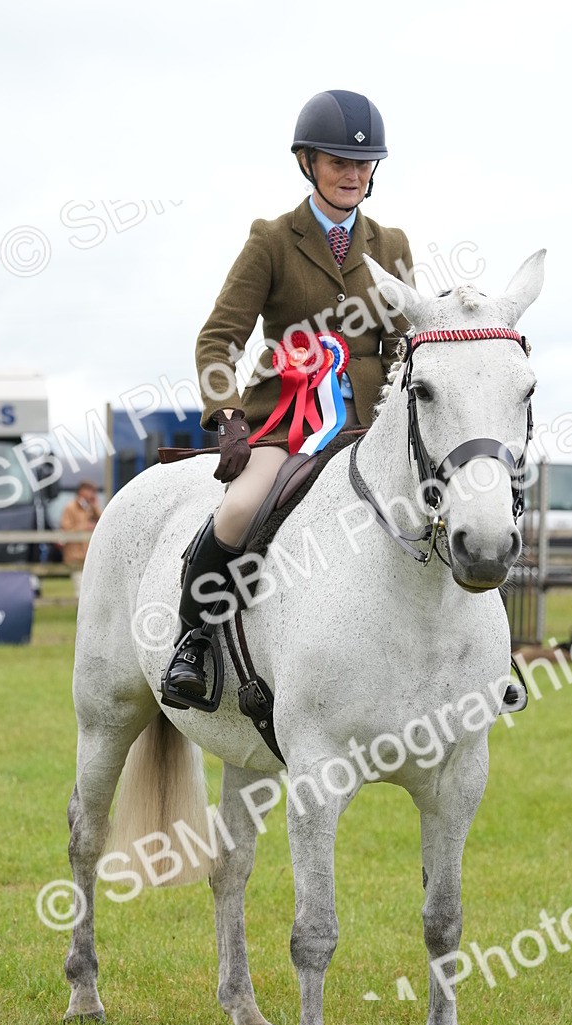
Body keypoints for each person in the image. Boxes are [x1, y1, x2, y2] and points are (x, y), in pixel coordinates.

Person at [162, 88, 414, 707]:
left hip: (371, 422)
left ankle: (482, 657)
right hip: (287, 422)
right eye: (338, 162)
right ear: (307, 162)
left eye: (363, 164)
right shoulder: (271, 240)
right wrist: (226, 414)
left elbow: (409, 341)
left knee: (451, 505)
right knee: (240, 509)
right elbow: (220, 338)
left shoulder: (394, 244)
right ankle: (192, 642)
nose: (353, 174)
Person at [59, 480, 102, 598]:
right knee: (80, 591)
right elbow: (65, 530)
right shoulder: (70, 507)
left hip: (89, 556)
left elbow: (103, 519)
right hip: (75, 556)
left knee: (92, 590)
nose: (92, 494)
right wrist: (85, 527)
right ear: (82, 491)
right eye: (90, 491)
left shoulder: (90, 508)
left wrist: (95, 506)